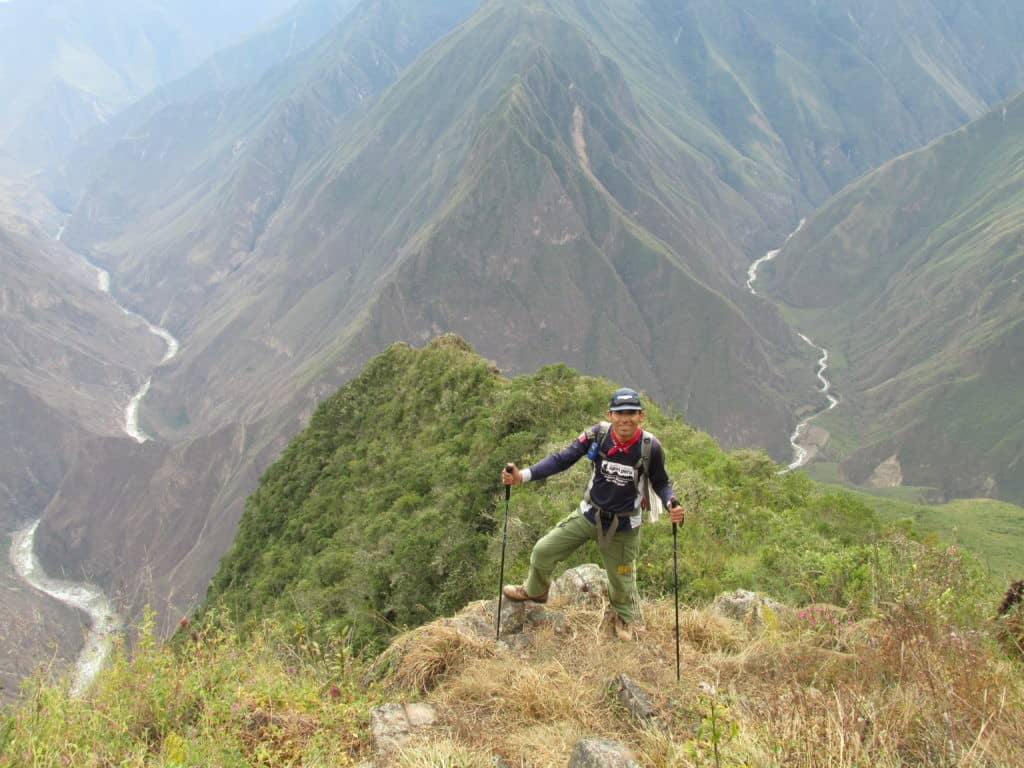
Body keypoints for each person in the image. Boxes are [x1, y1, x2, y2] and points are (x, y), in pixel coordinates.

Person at [501, 387, 685, 640]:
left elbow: (661, 482)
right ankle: (536, 590)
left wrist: (671, 503)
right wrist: (523, 476)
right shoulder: (597, 435)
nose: (625, 419)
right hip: (589, 514)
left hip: (624, 525)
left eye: (631, 413)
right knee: (543, 551)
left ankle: (624, 616)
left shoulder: (649, 447)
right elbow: (561, 459)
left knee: (622, 579)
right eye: (620, 413)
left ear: (641, 416)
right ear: (610, 415)